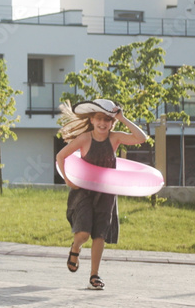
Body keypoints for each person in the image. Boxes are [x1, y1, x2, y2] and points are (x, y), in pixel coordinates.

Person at [55, 99, 148, 290]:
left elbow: (141, 138)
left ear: (112, 122)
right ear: (91, 119)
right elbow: (61, 156)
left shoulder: (114, 138)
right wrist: (68, 180)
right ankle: (76, 247)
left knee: (100, 235)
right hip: (83, 192)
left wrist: (122, 118)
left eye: (107, 119)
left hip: (105, 192)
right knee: (83, 234)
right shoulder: (84, 139)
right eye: (99, 118)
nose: (103, 123)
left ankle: (94, 275)